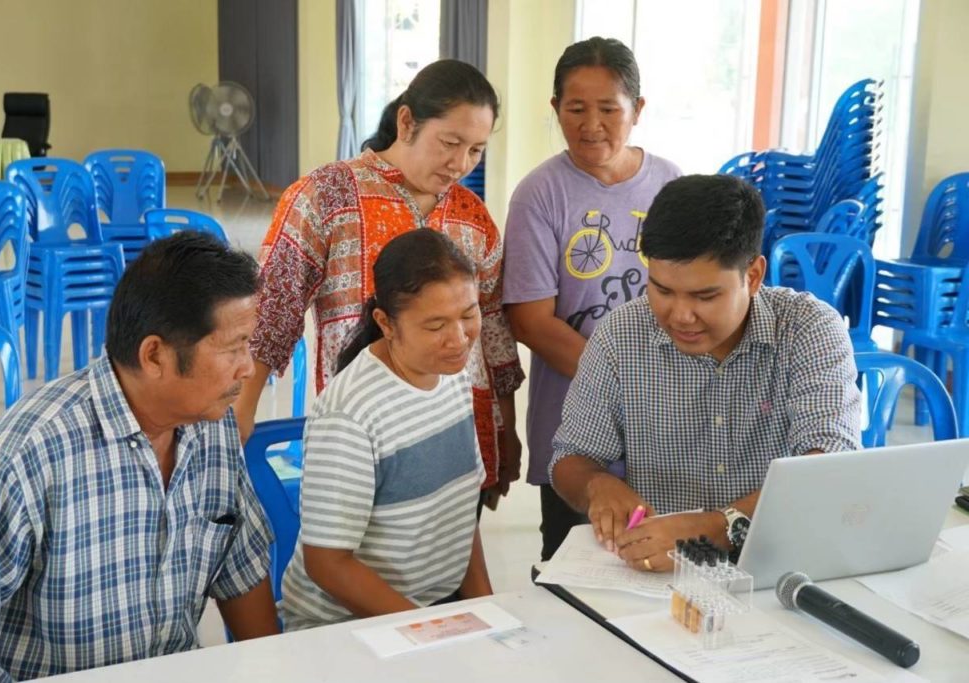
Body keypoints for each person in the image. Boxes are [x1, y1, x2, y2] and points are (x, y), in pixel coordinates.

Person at [0, 233, 279, 682]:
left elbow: (241, 573)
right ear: (155, 355)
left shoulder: (212, 427)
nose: (247, 366)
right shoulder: (27, 454)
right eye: (234, 347)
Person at [235, 59, 524, 508]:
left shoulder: (472, 217)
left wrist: (505, 431)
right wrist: (241, 417)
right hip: (362, 432)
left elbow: (491, 329)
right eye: (450, 142)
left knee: (450, 564)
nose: (460, 163)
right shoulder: (327, 195)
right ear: (407, 121)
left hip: (461, 434)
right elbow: (272, 313)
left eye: (476, 150)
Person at [550, 174, 861, 573]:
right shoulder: (622, 334)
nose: (680, 316)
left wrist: (718, 527)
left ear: (752, 276)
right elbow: (570, 458)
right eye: (661, 290)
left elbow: (829, 466)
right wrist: (598, 485)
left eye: (705, 296)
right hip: (659, 571)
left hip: (783, 563)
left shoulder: (809, 329)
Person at [502, 36, 681, 560]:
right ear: (555, 108)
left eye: (609, 109)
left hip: (668, 418)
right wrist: (625, 382)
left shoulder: (671, 184)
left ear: (638, 110)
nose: (591, 124)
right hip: (575, 420)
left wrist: (655, 394)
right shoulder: (540, 193)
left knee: (662, 563)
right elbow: (531, 322)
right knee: (574, 564)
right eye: (575, 109)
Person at [279, 230, 492, 631]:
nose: (459, 338)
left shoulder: (452, 375)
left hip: (430, 610)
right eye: (435, 326)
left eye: (468, 314)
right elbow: (327, 564)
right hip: (346, 624)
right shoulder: (351, 413)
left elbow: (461, 514)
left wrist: (487, 613)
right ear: (386, 323)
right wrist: (430, 631)